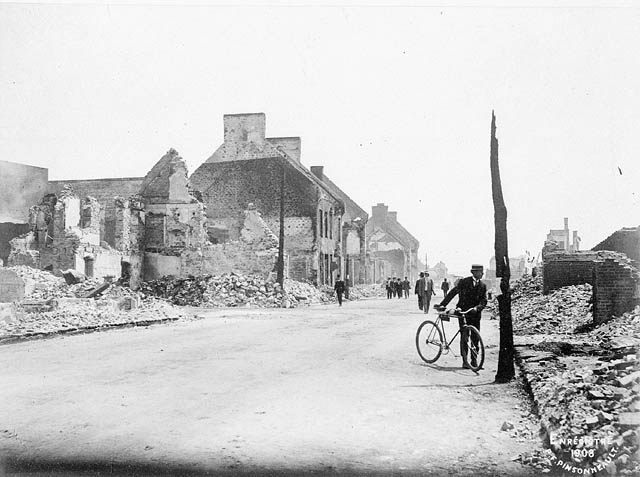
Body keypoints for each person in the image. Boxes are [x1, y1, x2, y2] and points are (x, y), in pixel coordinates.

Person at [436, 264, 487, 369]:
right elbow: (453, 292)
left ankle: (474, 361)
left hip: (475, 315)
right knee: (465, 337)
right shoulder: (464, 282)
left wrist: (477, 308)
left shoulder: (483, 285)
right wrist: (443, 304)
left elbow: (484, 300)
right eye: (480, 272)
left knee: (475, 338)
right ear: (473, 272)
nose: (482, 274)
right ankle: (465, 361)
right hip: (463, 312)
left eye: (482, 272)